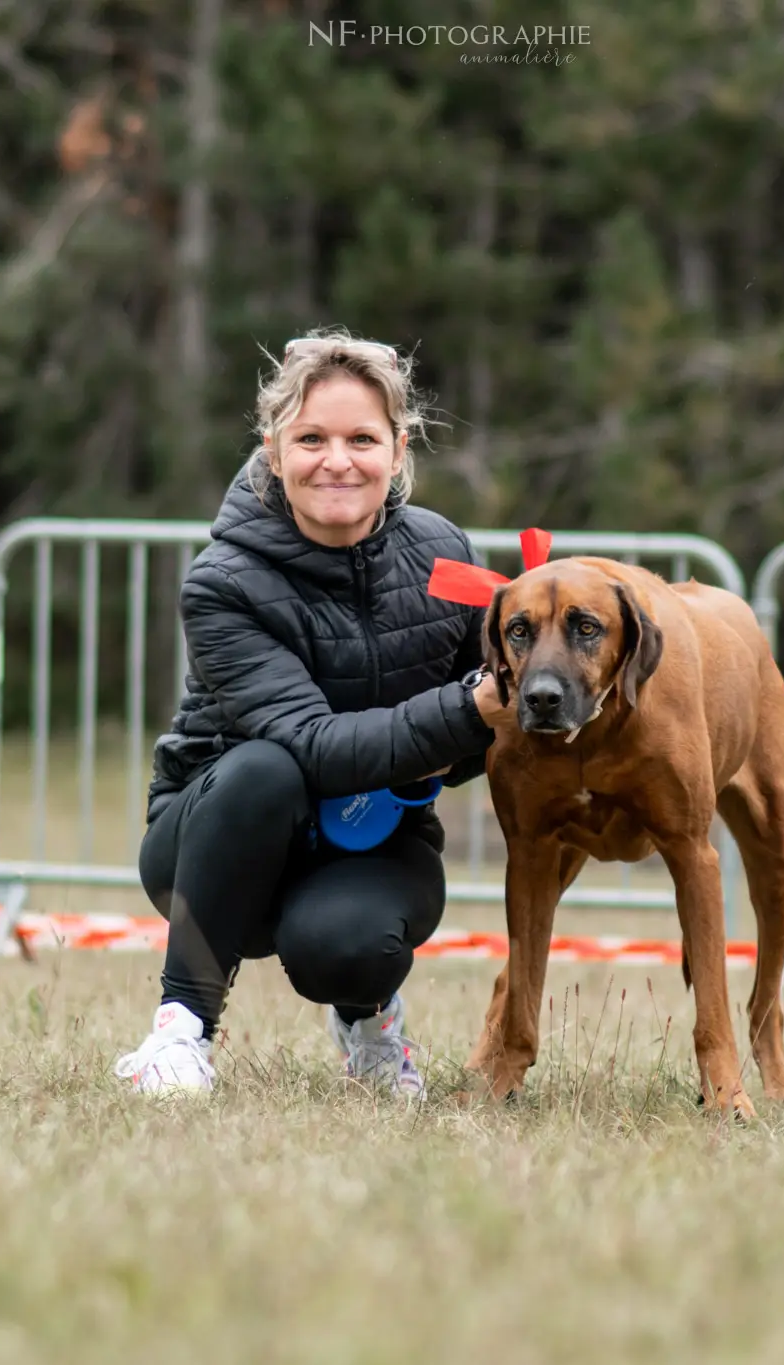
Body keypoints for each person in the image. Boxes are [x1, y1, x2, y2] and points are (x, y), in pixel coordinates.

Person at [114, 329, 513, 1099]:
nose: (338, 460)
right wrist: (468, 710)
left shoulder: (447, 553)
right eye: (312, 438)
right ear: (273, 450)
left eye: (363, 438)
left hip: (374, 837)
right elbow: (313, 746)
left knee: (348, 946)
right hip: (212, 839)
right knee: (266, 768)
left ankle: (369, 1022)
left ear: (398, 450)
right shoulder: (222, 583)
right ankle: (179, 1033)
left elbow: (489, 720)